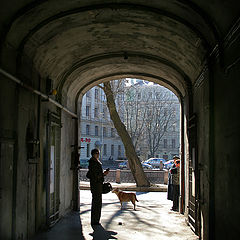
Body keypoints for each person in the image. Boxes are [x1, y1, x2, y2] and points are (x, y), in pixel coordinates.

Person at [87, 148, 109, 227]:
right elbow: (96, 176)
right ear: (94, 154)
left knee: (97, 203)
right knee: (97, 203)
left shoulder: (94, 162)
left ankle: (95, 220)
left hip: (96, 185)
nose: (98, 155)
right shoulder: (93, 163)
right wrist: (104, 174)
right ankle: (95, 220)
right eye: (97, 154)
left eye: (98, 153)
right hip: (96, 185)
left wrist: (103, 174)